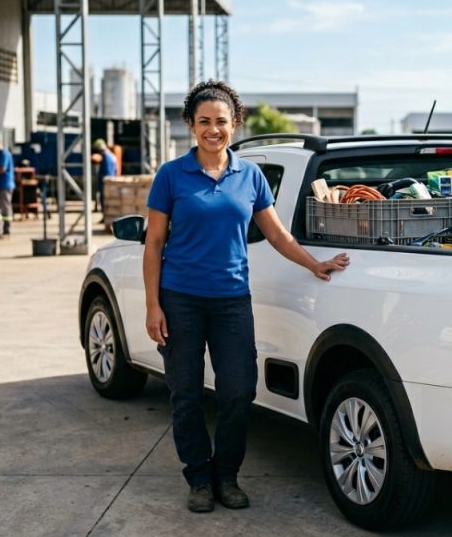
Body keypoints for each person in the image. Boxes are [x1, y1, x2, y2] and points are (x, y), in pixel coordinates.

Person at [143, 80, 350, 513]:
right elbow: (154, 243)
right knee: (185, 392)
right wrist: (152, 305)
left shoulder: (250, 175)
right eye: (204, 122)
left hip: (231, 300)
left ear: (234, 124)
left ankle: (227, 476)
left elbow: (276, 234)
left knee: (238, 391)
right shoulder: (171, 175)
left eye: (221, 121)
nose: (213, 130)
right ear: (190, 125)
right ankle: (199, 479)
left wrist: (314, 263)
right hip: (179, 298)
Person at [91, 138, 117, 214]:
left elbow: (108, 171)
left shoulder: (107, 156)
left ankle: (106, 215)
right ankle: (105, 216)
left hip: (106, 182)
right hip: (108, 181)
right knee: (106, 200)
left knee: (105, 200)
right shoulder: (112, 156)